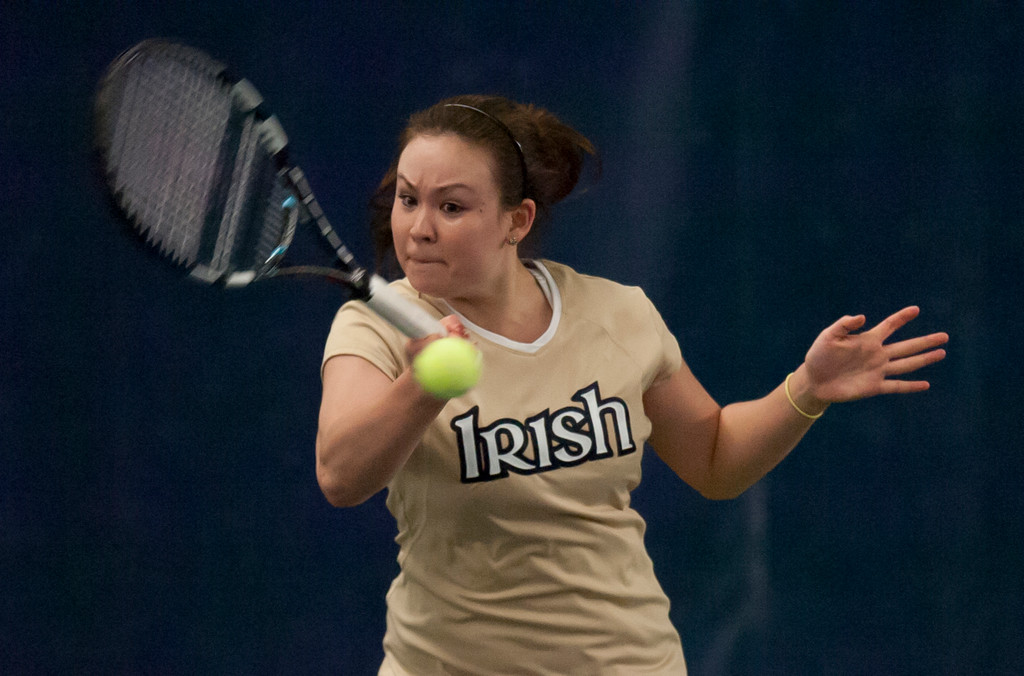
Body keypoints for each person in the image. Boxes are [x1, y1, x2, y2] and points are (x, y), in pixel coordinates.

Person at [316, 95, 948, 675]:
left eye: (451, 207)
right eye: (408, 199)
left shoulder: (618, 316)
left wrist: (807, 387)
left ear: (516, 220)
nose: (419, 227)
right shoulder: (371, 326)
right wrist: (423, 386)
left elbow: (715, 460)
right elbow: (341, 475)